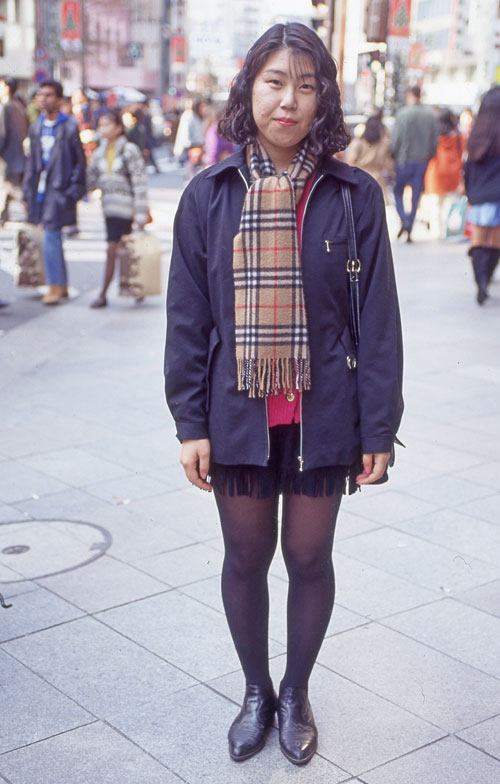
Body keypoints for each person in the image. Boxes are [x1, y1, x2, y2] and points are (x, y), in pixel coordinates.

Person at [165, 22, 403, 766]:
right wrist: (189, 422)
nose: (289, 100)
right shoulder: (207, 195)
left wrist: (378, 428)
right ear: (250, 90)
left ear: (323, 97)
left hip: (322, 411)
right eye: (275, 82)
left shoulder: (353, 196)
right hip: (236, 412)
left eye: (306, 85)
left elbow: (379, 321)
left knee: (307, 557)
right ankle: (255, 691)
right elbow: (187, 317)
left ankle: (296, 691)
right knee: (244, 557)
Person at [23, 80, 86, 305]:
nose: (43, 99)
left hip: (59, 190)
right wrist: (27, 192)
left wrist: (72, 191)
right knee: (52, 236)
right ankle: (61, 285)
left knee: (51, 235)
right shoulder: (36, 127)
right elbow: (32, 163)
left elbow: (79, 161)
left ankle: (55, 286)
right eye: (41, 94)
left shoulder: (69, 126)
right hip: (39, 190)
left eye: (49, 95)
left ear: (59, 100)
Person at [87, 110, 148, 308]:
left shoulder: (130, 150)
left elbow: (139, 182)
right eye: (100, 125)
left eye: (107, 125)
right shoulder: (98, 152)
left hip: (126, 209)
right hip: (109, 209)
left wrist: (140, 213)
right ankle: (136, 288)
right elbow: (92, 182)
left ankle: (103, 294)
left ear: (118, 128)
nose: (102, 129)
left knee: (112, 249)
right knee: (122, 250)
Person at [464, 86, 500, 304]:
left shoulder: (478, 132)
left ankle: (481, 283)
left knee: (478, 238)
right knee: (495, 239)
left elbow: (469, 166)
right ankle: (486, 278)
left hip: (479, 193)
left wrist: (470, 192)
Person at [390, 85, 438, 241]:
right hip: (422, 159)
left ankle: (404, 219)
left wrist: (393, 153)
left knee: (398, 191)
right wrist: (429, 155)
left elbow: (396, 138)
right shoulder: (430, 115)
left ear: (410, 95)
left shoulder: (403, 114)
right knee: (416, 194)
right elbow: (434, 140)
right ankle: (409, 222)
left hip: (404, 159)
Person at [423, 108, 463, 238]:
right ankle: (447, 230)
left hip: (435, 172)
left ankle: (436, 232)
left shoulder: (433, 135)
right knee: (449, 205)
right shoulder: (458, 136)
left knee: (435, 205)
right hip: (453, 173)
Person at [344, 113, 394, 204]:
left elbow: (349, 161)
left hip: (360, 181)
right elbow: (389, 166)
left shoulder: (358, 143)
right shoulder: (384, 145)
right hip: (378, 182)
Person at [0, 76, 29, 224]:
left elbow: (2, 135)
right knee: (7, 187)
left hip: (7, 157)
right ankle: (3, 216)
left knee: (11, 187)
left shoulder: (5, 107)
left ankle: (31, 208)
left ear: (7, 88)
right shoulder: (19, 106)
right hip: (18, 155)